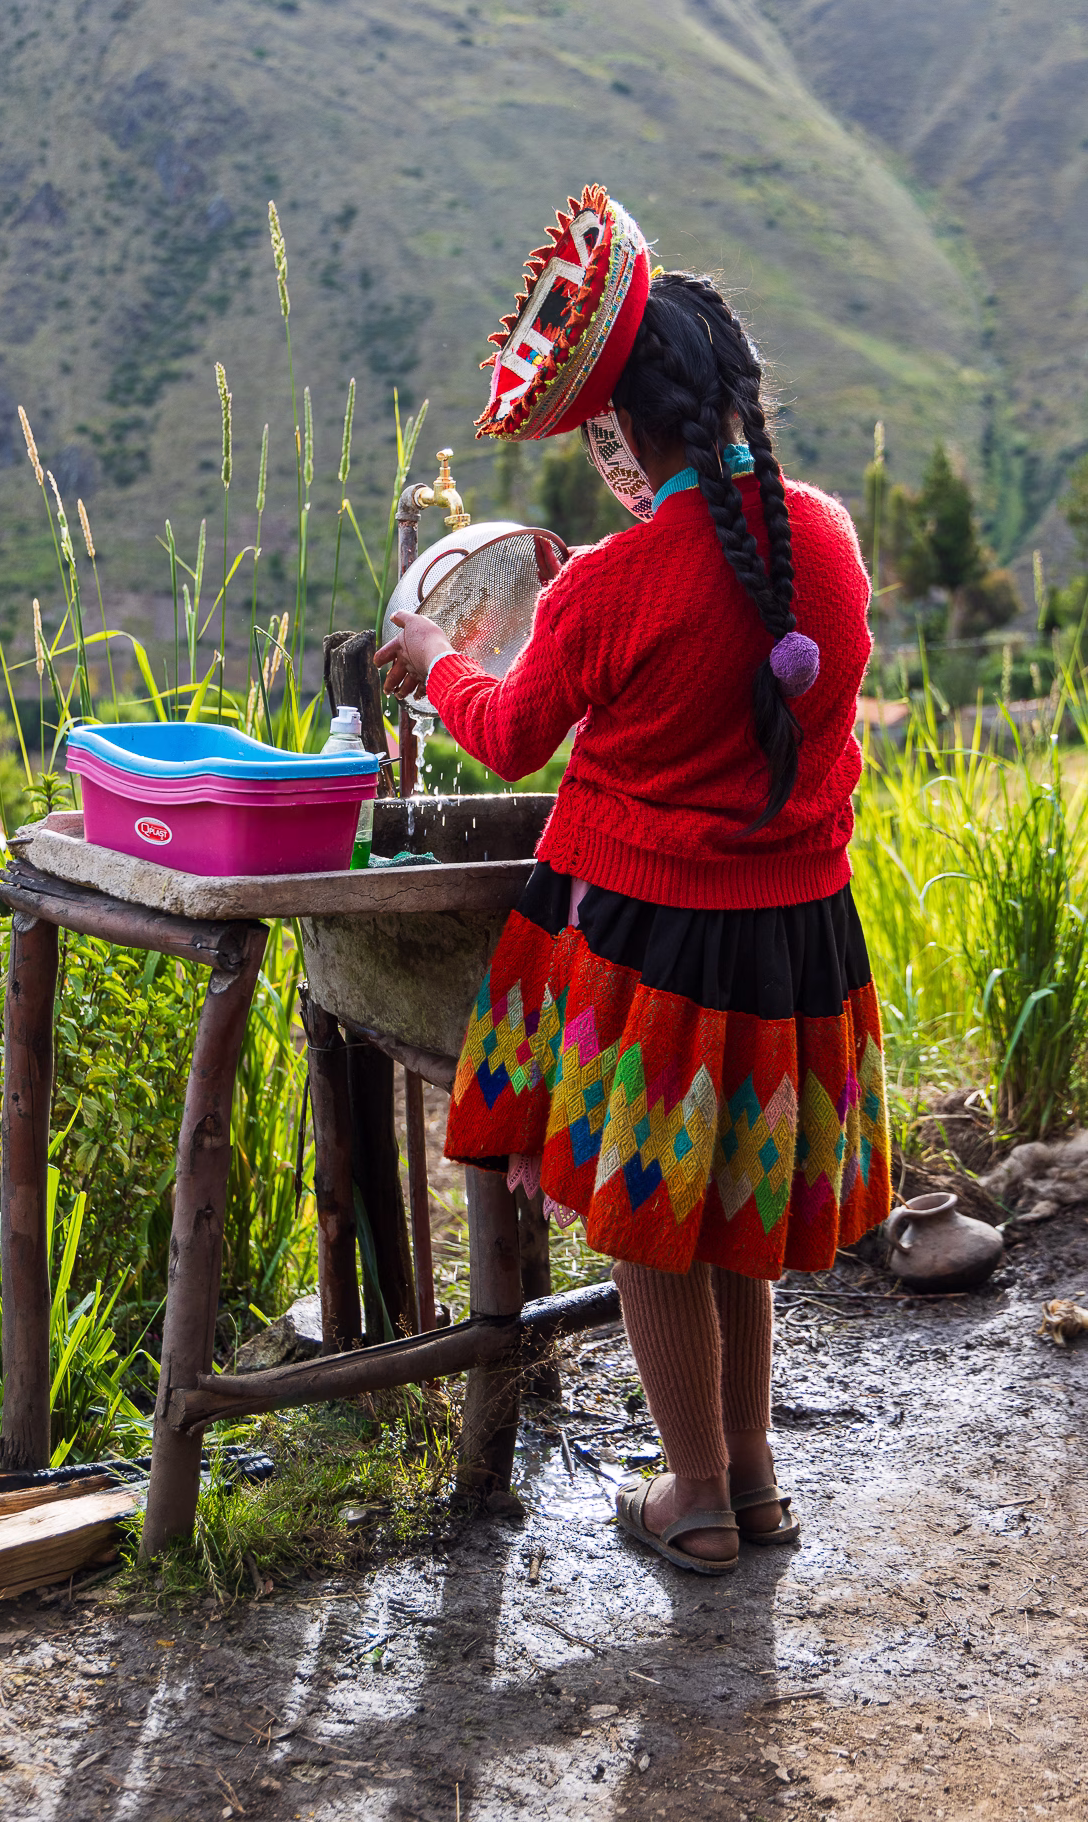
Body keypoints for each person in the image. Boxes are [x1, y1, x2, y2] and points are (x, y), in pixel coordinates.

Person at [377, 186, 890, 1574]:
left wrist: (440, 659)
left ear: (620, 433)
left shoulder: (610, 585)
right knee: (727, 1210)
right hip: (794, 940)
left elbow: (505, 732)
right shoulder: (822, 541)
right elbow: (724, 647)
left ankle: (694, 1498)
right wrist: (575, 601)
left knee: (653, 1226)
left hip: (654, 948)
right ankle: (753, 1483)